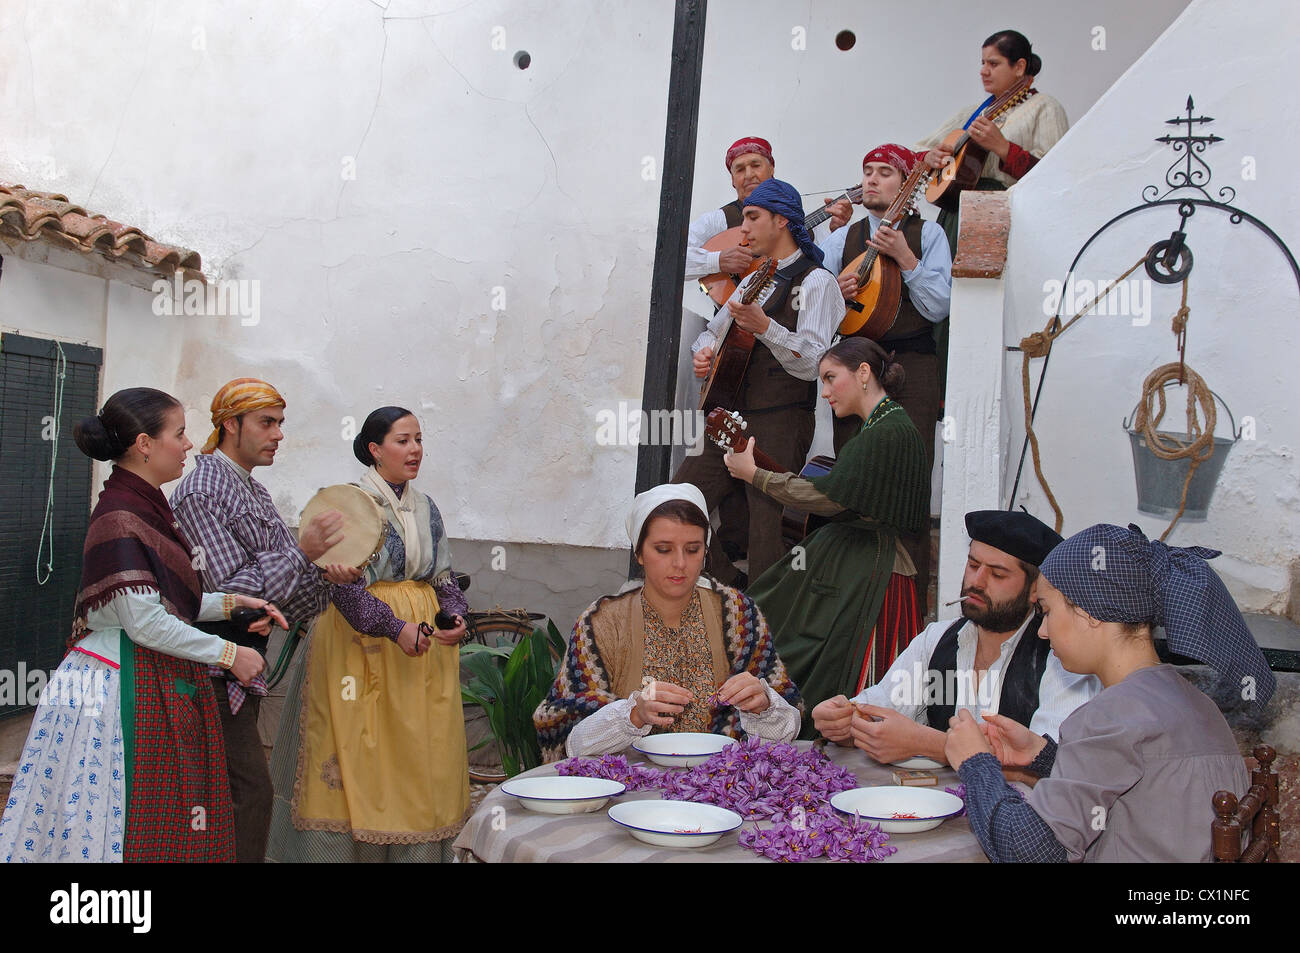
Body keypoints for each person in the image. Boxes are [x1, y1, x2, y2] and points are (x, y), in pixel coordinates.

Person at [0, 387, 283, 863]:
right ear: (144, 444)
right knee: (123, 813)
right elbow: (147, 622)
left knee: (152, 810)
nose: (189, 444)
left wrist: (233, 603)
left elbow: (164, 600)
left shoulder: (141, 506)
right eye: (179, 433)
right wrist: (232, 654)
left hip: (140, 672)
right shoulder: (121, 516)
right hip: (119, 684)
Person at [944, 523, 1276, 862]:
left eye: (1046, 611)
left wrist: (976, 762)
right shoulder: (1194, 702)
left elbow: (1031, 853)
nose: (1042, 631)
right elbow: (1139, 781)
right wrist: (1042, 754)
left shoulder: (1109, 715)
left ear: (1088, 612)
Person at [266, 406, 471, 862]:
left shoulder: (426, 507)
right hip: (358, 648)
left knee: (419, 758)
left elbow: (443, 576)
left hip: (422, 653)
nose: (415, 449)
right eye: (402, 440)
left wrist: (456, 616)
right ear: (375, 449)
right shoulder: (347, 502)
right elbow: (343, 588)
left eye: (419, 439)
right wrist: (394, 627)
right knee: (359, 754)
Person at [171, 377, 352, 863]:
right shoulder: (203, 490)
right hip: (209, 664)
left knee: (232, 791)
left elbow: (291, 605)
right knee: (247, 790)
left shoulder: (251, 489)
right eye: (266, 423)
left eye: (280, 423)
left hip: (240, 663)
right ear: (230, 425)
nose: (278, 435)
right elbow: (230, 592)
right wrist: (301, 553)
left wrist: (325, 574)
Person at [724, 338, 928, 736]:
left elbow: (826, 497)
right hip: (862, 561)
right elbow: (843, 494)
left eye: (831, 378)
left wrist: (755, 475)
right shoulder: (883, 425)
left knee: (813, 643)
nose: (825, 391)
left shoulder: (886, 431)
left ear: (863, 373)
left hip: (871, 571)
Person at [534, 484, 802, 759]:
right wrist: (634, 714)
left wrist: (764, 704)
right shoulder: (602, 623)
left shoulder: (736, 614)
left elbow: (788, 729)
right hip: (626, 791)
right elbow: (570, 741)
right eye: (663, 549)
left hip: (723, 788)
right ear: (639, 553)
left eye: (693, 549)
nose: (680, 563)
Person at [811, 510, 1098, 765]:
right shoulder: (937, 639)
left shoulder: (1059, 657)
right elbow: (878, 710)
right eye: (973, 565)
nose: (976, 582)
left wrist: (932, 745)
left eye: (997, 574)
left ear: (1036, 589)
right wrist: (844, 722)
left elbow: (1054, 766)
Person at [673, 178, 846, 587]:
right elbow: (713, 332)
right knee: (678, 503)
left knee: (766, 527)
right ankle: (730, 585)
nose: (744, 228)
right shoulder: (753, 280)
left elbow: (814, 363)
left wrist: (768, 328)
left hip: (782, 419)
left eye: (752, 217)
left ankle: (766, 626)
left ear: (781, 221)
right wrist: (705, 352)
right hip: (729, 417)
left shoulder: (817, 281)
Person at [819, 144, 953, 614]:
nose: (873, 180)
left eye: (884, 173)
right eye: (867, 171)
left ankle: (910, 612)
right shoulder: (842, 241)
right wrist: (836, 293)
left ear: (906, 185)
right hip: (855, 365)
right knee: (852, 478)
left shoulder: (929, 233)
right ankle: (854, 601)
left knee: (908, 482)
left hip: (912, 365)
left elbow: (940, 307)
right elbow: (818, 314)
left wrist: (907, 258)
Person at [916, 29, 1069, 254]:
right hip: (957, 210)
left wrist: (1003, 148)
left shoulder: (1044, 106)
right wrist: (931, 156)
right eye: (983, 63)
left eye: (993, 64)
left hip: (1008, 209)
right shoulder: (974, 113)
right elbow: (918, 150)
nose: (983, 71)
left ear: (1019, 67)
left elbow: (1055, 176)